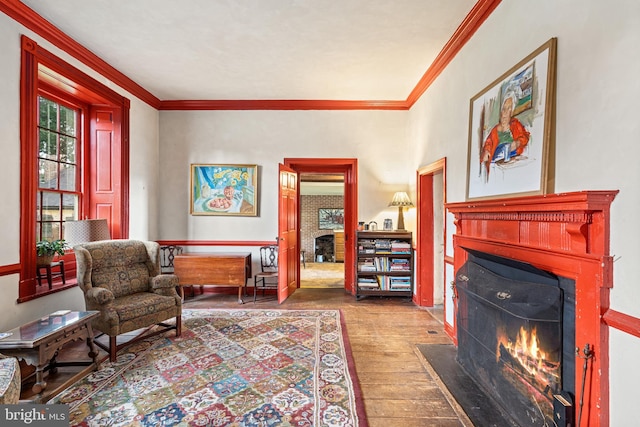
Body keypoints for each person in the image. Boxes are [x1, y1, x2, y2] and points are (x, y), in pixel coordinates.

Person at [480, 93, 530, 174]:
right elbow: (488, 144)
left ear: (512, 111)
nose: (505, 112)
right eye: (503, 109)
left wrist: (517, 143)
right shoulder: (495, 130)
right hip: (497, 165)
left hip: (512, 161)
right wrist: (486, 151)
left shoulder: (515, 124)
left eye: (508, 108)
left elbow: (525, 137)